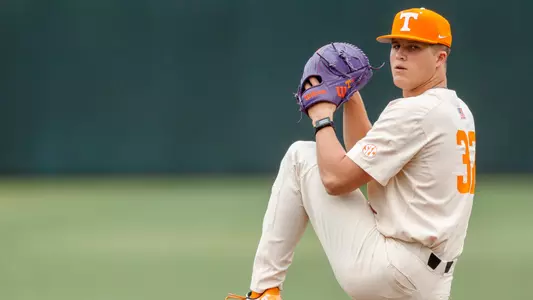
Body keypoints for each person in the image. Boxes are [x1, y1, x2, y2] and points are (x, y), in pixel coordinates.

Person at [225, 7, 476, 300]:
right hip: (431, 283)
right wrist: (350, 97)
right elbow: (369, 169)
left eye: (414, 47)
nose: (400, 55)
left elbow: (336, 179)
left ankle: (263, 291)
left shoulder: (414, 111)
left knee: (300, 156)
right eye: (396, 46)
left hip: (393, 269)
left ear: (440, 57)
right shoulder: (456, 110)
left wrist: (322, 117)